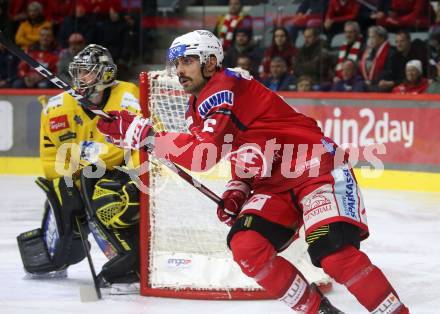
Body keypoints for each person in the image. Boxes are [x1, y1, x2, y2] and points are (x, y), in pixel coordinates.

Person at [97, 30, 410, 313]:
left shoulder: (222, 89)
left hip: (318, 170)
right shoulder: (198, 105)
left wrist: (145, 135)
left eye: (188, 61)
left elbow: (201, 157)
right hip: (274, 184)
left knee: (335, 254)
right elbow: (243, 147)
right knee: (247, 246)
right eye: (176, 63)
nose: (179, 70)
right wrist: (239, 187)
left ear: (210, 61)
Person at [17, 44, 142, 286]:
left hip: (112, 177)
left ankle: (126, 262)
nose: (80, 78)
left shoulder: (127, 96)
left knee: (111, 201)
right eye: (78, 71)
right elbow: (51, 157)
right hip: (71, 179)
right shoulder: (55, 108)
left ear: (106, 74)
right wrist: (66, 184)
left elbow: (133, 148)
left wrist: (134, 178)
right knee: (61, 249)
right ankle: (57, 253)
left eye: (88, 71)